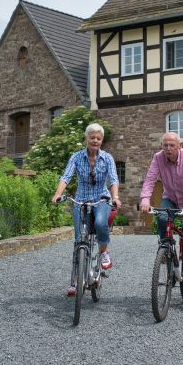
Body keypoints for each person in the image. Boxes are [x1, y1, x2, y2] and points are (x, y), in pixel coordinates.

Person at [53, 123, 122, 296]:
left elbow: (113, 179)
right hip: (81, 201)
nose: (95, 141)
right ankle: (75, 281)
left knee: (100, 223)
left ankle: (104, 252)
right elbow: (66, 176)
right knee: (79, 241)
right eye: (92, 138)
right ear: (86, 139)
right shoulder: (76, 157)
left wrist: (115, 197)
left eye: (98, 138)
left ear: (101, 140)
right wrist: (58, 194)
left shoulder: (107, 158)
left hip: (101, 199)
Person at [139, 132, 183, 299]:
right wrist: (145, 200)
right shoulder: (158, 158)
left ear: (179, 146)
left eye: (172, 145)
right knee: (162, 218)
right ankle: (166, 248)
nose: (168, 148)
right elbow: (150, 180)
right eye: (165, 145)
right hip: (170, 199)